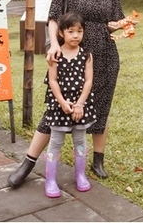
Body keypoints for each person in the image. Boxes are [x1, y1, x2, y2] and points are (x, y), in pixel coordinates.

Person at [9, 0, 129, 188]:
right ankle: (28, 163)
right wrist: (54, 44)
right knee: (56, 108)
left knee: (101, 107)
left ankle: (97, 160)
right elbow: (53, 19)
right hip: (71, 56)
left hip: (105, 55)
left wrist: (122, 26)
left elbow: (114, 21)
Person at [41, 12, 95, 197]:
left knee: (80, 140)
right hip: (59, 105)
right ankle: (50, 180)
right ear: (61, 33)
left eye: (79, 31)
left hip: (81, 105)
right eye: (70, 31)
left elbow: (88, 81)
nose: (76, 35)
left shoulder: (86, 54)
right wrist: (63, 103)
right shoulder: (55, 54)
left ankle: (80, 175)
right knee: (56, 141)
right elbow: (53, 80)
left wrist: (80, 104)